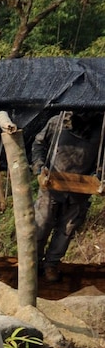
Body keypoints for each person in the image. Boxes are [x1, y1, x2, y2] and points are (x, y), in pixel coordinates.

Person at [30, 111, 102, 282]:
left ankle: (51, 265)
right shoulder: (57, 122)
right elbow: (39, 144)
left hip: (80, 189)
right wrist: (39, 167)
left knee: (66, 230)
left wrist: (99, 176)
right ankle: (32, 263)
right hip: (51, 184)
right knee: (42, 224)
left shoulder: (103, 128)